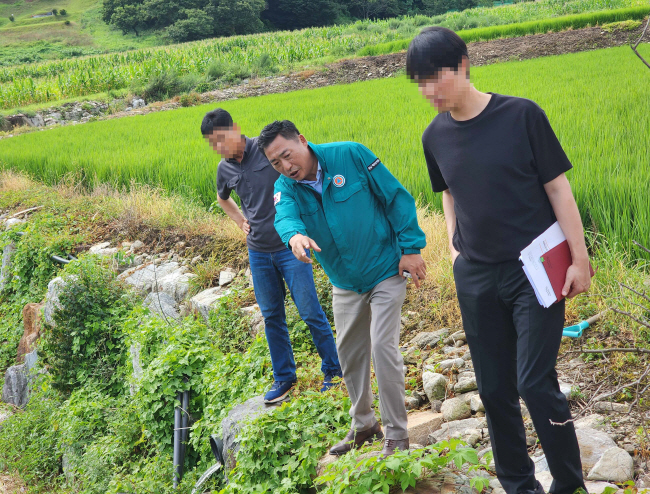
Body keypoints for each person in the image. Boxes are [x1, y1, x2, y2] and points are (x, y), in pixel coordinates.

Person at [407, 27, 591, 494]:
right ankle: (518, 485)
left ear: (464, 65)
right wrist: (452, 246)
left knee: (534, 382)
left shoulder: (520, 115)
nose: (429, 91)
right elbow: (447, 192)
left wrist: (579, 257)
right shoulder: (434, 135)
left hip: (534, 270)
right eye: (419, 83)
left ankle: (569, 486)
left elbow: (558, 189)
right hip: (475, 275)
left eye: (436, 77)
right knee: (493, 389)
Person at [257, 120, 427, 458]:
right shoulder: (285, 187)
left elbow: (395, 198)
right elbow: (284, 217)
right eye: (275, 163)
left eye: (287, 156)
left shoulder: (350, 155)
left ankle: (397, 434)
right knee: (348, 353)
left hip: (385, 269)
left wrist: (411, 248)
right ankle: (364, 425)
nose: (286, 167)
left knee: (382, 347)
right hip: (344, 282)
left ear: (302, 141)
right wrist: (294, 235)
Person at [201, 109, 342, 404]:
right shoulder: (224, 169)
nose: (220, 147)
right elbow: (222, 198)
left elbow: (300, 170)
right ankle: (285, 378)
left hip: (290, 247)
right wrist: (240, 222)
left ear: (235, 129)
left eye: (221, 139)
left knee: (310, 311)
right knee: (271, 316)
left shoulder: (266, 152)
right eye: (212, 144)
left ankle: (334, 370)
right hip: (259, 251)